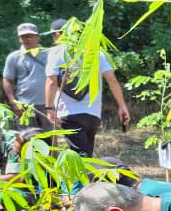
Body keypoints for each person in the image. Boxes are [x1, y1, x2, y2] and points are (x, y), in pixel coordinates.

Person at [44, 18, 132, 156]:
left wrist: (49, 108)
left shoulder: (56, 52)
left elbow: (51, 82)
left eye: (53, 35)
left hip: (69, 113)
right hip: (93, 113)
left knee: (81, 156)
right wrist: (122, 106)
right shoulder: (96, 52)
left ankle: (84, 177)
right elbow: (112, 81)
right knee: (86, 153)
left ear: (57, 35)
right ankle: (88, 177)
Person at [1, 23, 52, 129]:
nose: (27, 39)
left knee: (50, 138)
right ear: (19, 39)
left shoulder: (49, 54)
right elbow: (7, 80)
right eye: (23, 36)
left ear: (38, 37)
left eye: (31, 36)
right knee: (28, 138)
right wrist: (13, 101)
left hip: (47, 104)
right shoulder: (13, 57)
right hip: (25, 104)